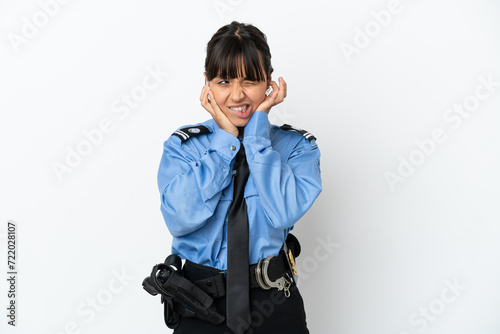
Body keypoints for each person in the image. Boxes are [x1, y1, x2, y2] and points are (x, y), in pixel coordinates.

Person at [156, 21, 322, 334]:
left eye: (250, 81)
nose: (237, 95)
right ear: (207, 84)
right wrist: (224, 143)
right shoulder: (184, 149)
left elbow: (283, 211)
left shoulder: (297, 149)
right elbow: (179, 218)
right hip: (198, 306)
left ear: (269, 83)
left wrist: (257, 136)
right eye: (224, 81)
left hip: (274, 306)